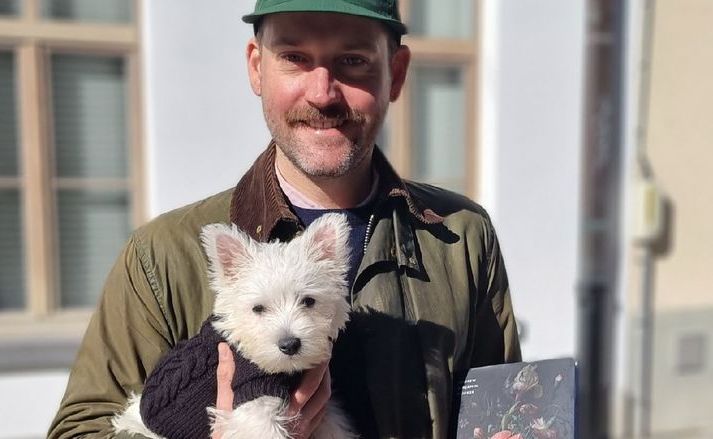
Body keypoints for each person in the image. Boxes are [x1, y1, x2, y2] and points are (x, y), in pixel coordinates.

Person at [48, 1, 522, 438]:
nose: (322, 93)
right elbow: (80, 430)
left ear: (395, 74)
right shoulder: (163, 255)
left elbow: (503, 412)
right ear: (257, 66)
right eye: (295, 57)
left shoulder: (461, 238)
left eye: (353, 60)